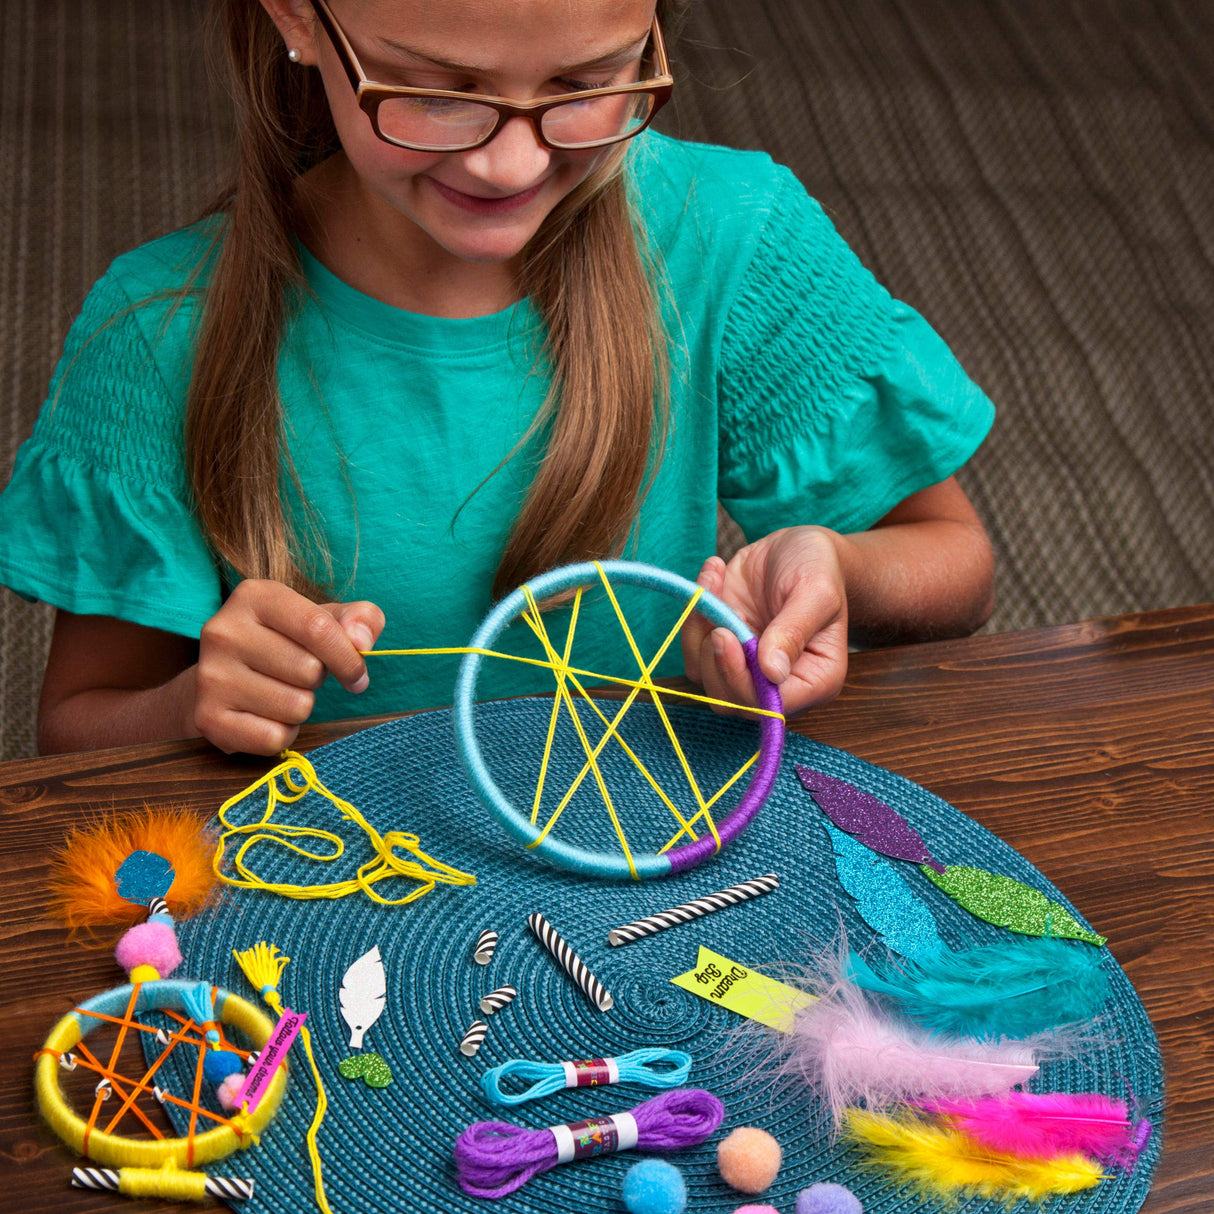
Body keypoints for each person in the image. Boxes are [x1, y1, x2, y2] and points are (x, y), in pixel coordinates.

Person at [0, 0, 995, 758]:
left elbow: (952, 559)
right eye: (436, 93)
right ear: (297, 18)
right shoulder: (159, 331)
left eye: (587, 82)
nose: (509, 165)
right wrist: (190, 705)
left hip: (655, 871)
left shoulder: (732, 237)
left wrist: (834, 563)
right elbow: (78, 728)